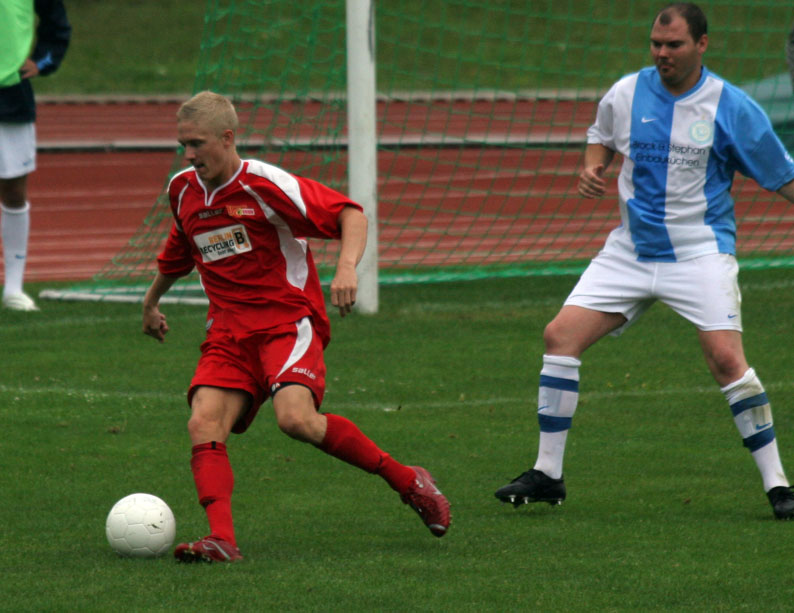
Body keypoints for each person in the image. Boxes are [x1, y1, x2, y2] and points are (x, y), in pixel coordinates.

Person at [495, 2, 794, 520]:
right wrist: (593, 168)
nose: (662, 54)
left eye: (674, 45)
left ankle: (779, 486)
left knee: (727, 361)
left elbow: (782, 175)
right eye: (656, 44)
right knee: (559, 336)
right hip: (628, 253)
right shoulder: (627, 92)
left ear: (701, 45)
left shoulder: (732, 107)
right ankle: (548, 474)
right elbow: (601, 137)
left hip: (699, 254)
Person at [142, 91, 450, 562]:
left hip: (286, 321)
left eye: (197, 143)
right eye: (183, 144)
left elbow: (350, 214)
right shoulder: (183, 189)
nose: (188, 154)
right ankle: (221, 539)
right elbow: (180, 249)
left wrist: (346, 269)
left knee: (295, 420)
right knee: (203, 422)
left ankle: (408, 481)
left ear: (227, 138)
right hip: (228, 331)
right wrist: (151, 302)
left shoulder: (265, 185)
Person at [0, 0, 70, 311]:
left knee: (14, 192)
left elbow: (57, 24)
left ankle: (13, 288)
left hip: (10, 97)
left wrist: (43, 60)